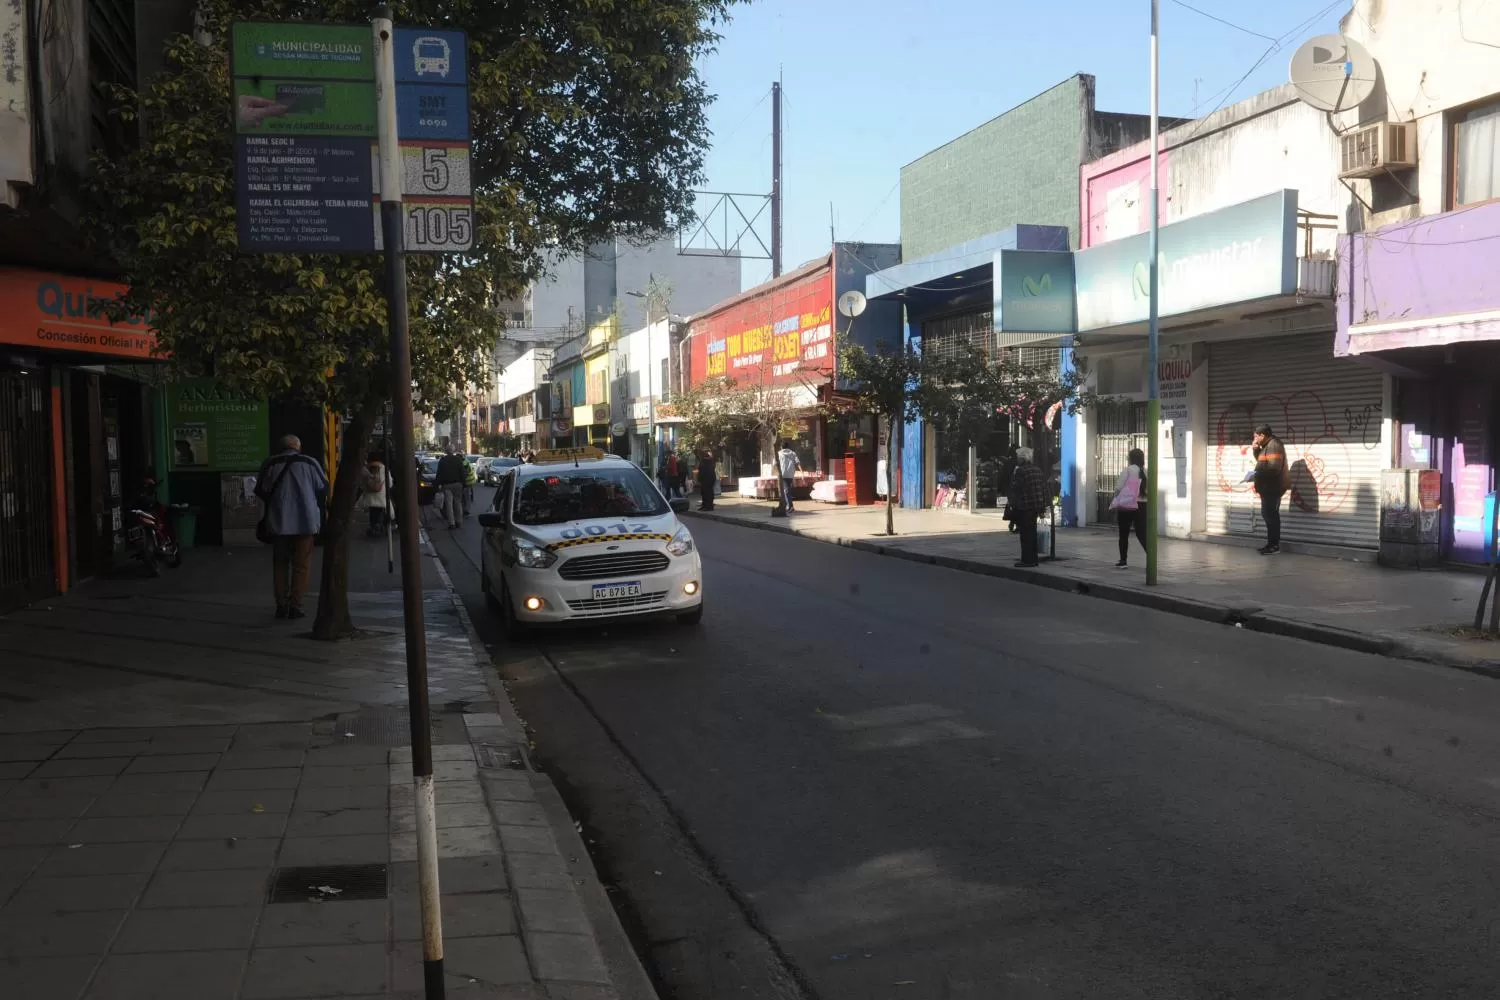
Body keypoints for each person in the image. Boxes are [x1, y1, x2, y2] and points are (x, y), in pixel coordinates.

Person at [255, 435, 328, 620]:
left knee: (280, 564)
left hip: (279, 522)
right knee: (301, 565)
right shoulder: (310, 463)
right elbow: (323, 487)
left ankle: (281, 605)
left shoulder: (270, 464)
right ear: (298, 447)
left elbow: (260, 490)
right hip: (305, 522)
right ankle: (296, 605)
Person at [1248, 422, 1291, 554]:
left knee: (1271, 515)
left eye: (1256, 437)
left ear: (1263, 435)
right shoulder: (1267, 445)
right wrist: (1256, 449)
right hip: (1267, 487)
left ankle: (1274, 546)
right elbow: (1261, 461)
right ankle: (1271, 544)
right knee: (1268, 514)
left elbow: (1273, 469)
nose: (1255, 439)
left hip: (1273, 487)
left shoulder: (1274, 446)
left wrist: (1257, 474)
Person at [1007, 446, 1047, 568]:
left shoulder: (1020, 471)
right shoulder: (1038, 470)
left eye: (1019, 457)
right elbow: (1043, 489)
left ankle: (1026, 560)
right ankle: (1034, 559)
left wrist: (1012, 506)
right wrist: (1042, 508)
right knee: (1033, 534)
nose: (1017, 460)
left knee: (1025, 535)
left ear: (1023, 459)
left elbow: (1016, 489)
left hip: (1024, 507)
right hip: (1036, 507)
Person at [1112, 447, 1148, 568]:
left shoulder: (1128, 470)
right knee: (1141, 533)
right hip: (1142, 505)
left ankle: (1123, 561)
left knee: (1123, 533)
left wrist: (1116, 499)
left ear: (1131, 458)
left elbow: (1118, 487)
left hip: (1128, 505)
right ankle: (1151, 556)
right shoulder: (1146, 471)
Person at [435, 445, 467, 530]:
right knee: (458, 503)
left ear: (446, 451)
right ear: (453, 451)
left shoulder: (443, 461)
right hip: (458, 484)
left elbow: (439, 474)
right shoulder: (458, 459)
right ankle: (459, 522)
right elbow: (462, 472)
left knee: (449, 504)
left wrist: (437, 485)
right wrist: (464, 483)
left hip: (447, 485)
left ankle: (451, 523)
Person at [360, 453, 390, 538]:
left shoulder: (366, 469)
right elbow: (390, 483)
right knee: (379, 514)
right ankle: (378, 528)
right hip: (381, 497)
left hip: (370, 498)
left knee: (373, 514)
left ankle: (373, 528)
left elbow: (362, 484)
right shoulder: (384, 468)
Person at [777, 440, 801, 513]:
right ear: (788, 447)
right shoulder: (793, 453)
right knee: (787, 489)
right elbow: (797, 462)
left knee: (786, 490)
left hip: (783, 473)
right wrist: (801, 471)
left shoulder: (779, 453)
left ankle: (790, 506)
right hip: (790, 474)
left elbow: (775, 463)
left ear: (781, 447)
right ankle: (789, 505)